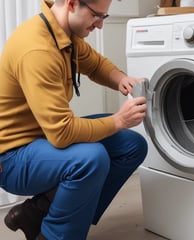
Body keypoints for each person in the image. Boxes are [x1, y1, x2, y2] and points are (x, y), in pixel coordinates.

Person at [0, 0, 148, 239]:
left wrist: (121, 78)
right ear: (71, 4)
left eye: (104, 17)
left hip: (43, 141)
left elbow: (95, 64)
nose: (99, 25)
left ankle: (37, 213)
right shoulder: (37, 49)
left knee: (132, 145)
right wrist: (119, 120)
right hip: (12, 158)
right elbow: (62, 134)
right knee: (91, 159)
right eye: (96, 16)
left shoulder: (64, 33)